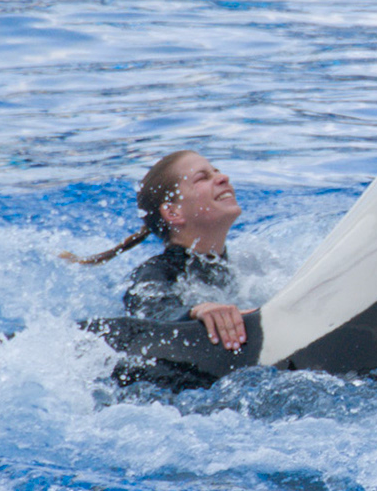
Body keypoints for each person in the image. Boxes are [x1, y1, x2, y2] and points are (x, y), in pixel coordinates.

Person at [61, 150, 250, 350]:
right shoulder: (153, 273)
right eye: (202, 178)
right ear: (172, 212)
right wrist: (196, 311)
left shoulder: (247, 262)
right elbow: (152, 311)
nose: (223, 178)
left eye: (217, 171)